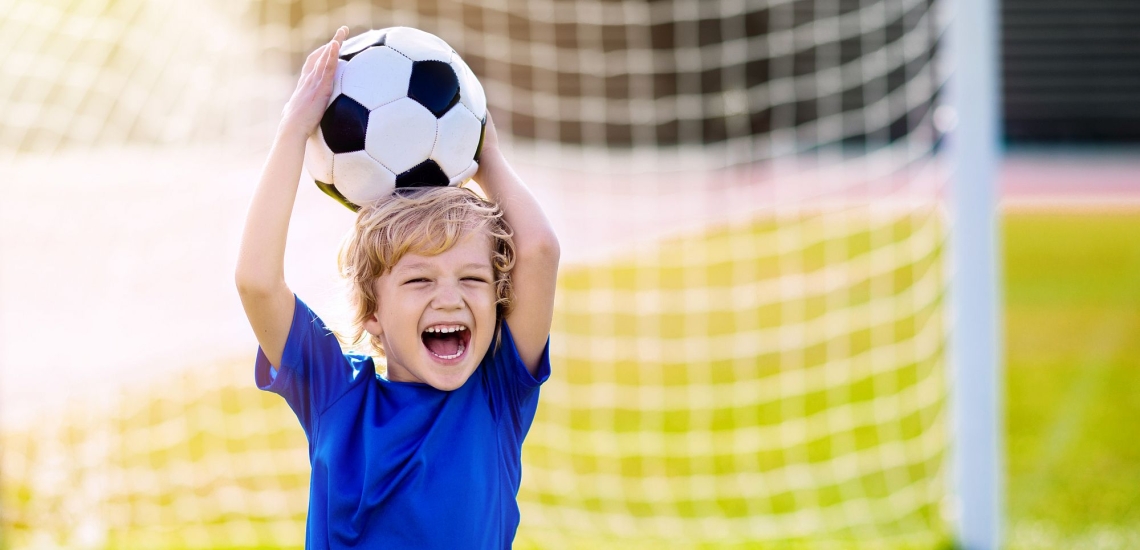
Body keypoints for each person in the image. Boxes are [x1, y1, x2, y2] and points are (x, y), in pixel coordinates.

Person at [234, 26, 560, 549]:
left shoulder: (497, 396)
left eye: (473, 278)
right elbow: (256, 281)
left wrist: (487, 155)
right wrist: (293, 131)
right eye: (419, 279)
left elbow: (539, 252)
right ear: (373, 315)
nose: (449, 296)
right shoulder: (335, 395)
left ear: (497, 303)